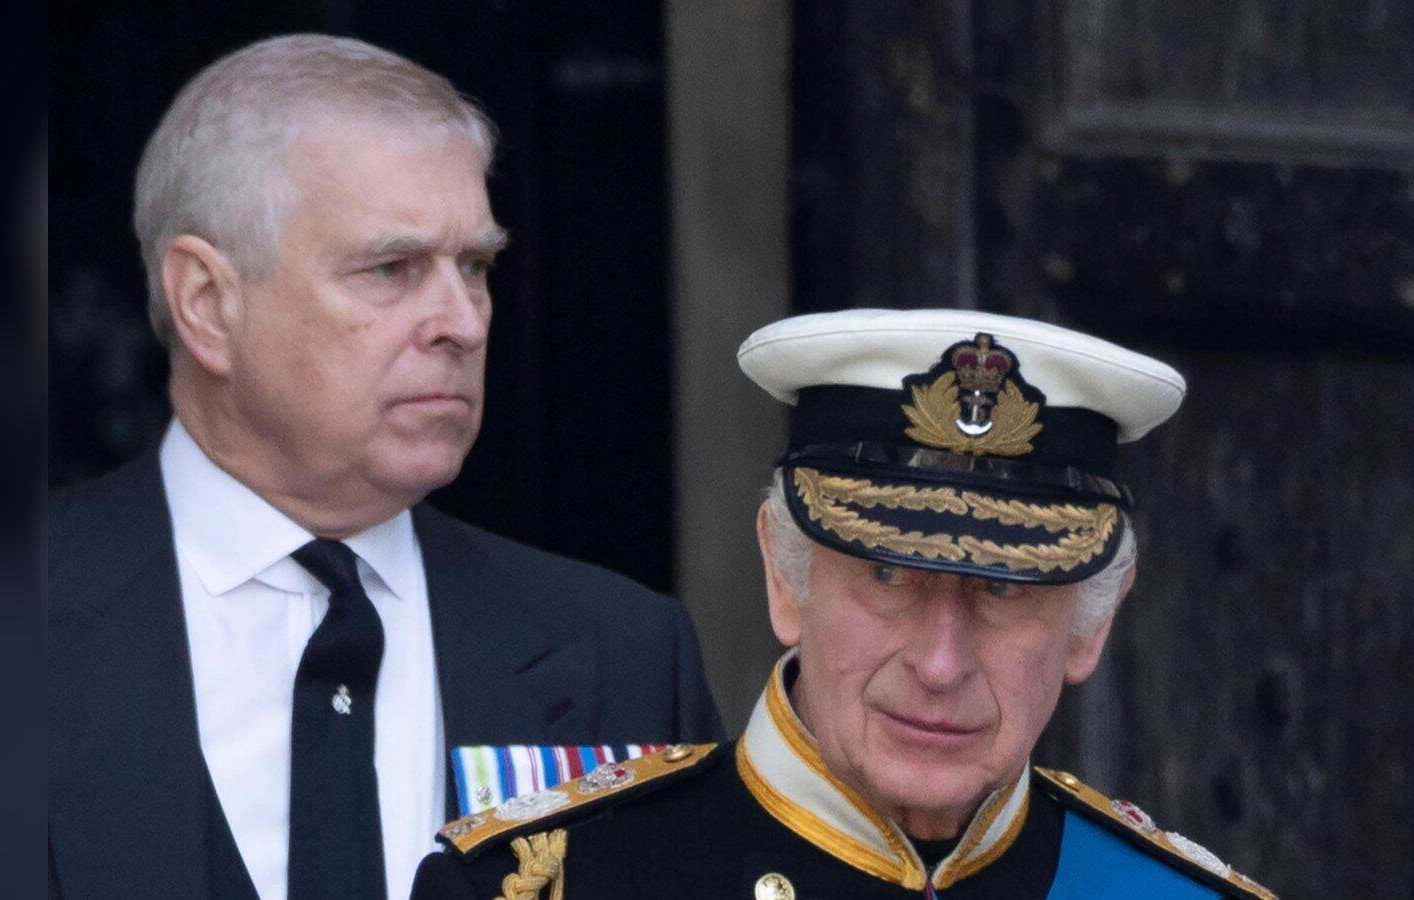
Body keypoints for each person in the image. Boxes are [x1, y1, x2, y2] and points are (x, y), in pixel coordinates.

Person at [47, 35, 722, 900]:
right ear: (208, 304)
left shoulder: (623, 655)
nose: (464, 323)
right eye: (391, 268)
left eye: (475, 267)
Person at [410, 308, 1276, 898]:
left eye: (1004, 590)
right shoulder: (550, 882)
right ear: (783, 578)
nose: (940, 664)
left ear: (1094, 621)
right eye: (887, 579)